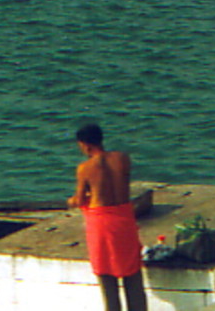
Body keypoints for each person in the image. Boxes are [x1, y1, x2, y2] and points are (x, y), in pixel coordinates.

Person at [69, 122, 147, 311]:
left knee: (107, 279)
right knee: (132, 275)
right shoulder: (123, 159)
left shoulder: (85, 168)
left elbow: (80, 200)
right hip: (124, 220)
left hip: (101, 224)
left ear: (85, 145)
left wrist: (72, 201)